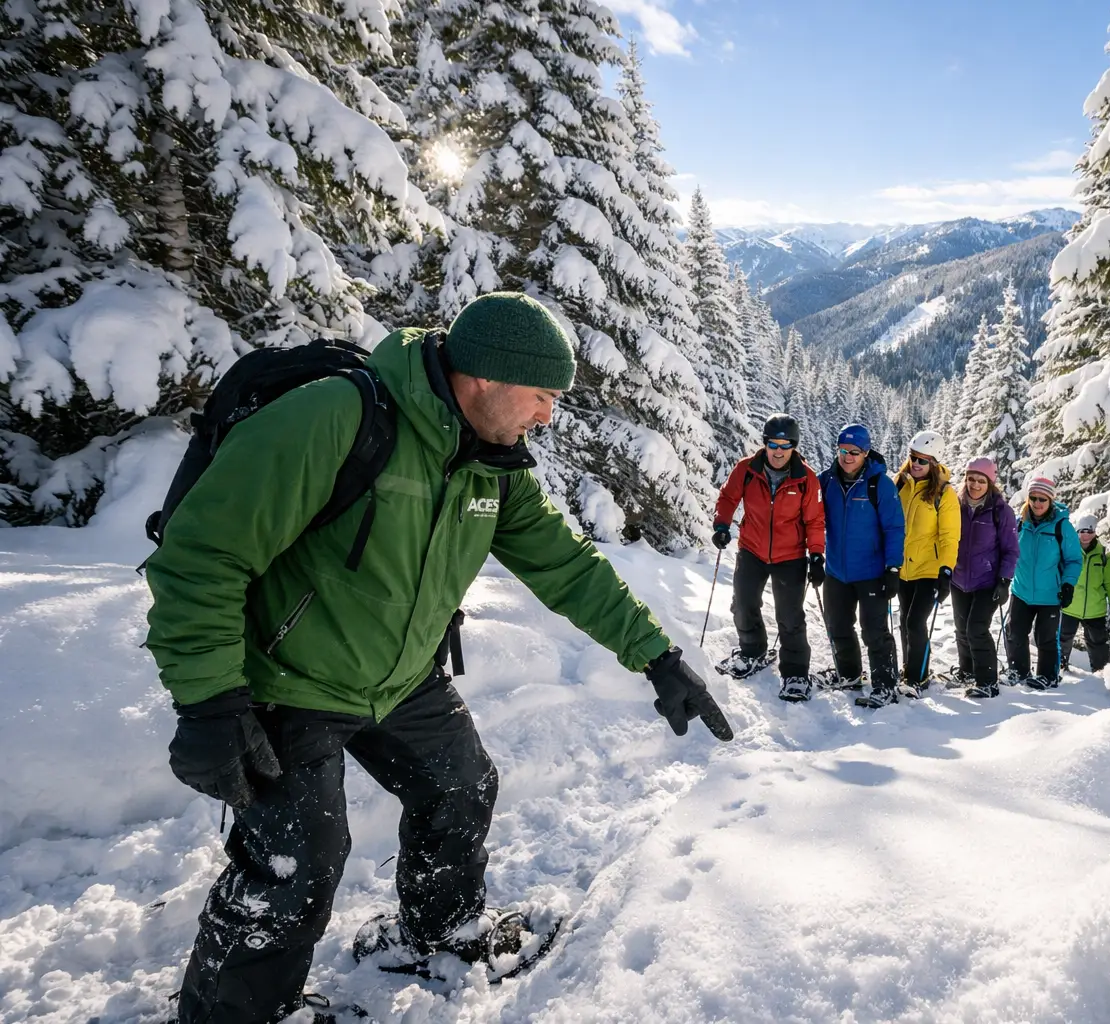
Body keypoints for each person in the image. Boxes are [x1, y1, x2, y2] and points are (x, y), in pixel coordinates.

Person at [145, 292, 732, 1024]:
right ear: (485, 378)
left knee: (460, 785)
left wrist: (656, 656)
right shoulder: (335, 419)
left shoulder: (490, 464)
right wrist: (207, 703)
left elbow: (567, 567)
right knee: (298, 865)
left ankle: (439, 934)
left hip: (398, 678)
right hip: (285, 681)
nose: (548, 416)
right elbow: (199, 557)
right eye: (542, 395)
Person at [712, 413, 827, 701]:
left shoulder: (806, 479)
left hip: (790, 556)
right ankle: (752, 651)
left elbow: (814, 520)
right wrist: (722, 525)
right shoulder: (747, 470)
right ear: (764, 444)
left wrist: (816, 556)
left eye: (785, 445)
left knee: (790, 616)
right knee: (743, 603)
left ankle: (796, 673)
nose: (778, 451)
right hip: (752, 549)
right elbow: (728, 498)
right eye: (773, 444)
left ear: (794, 447)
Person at [817, 423, 904, 705]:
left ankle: (885, 685)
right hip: (836, 572)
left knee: (874, 631)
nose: (847, 457)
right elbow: (811, 519)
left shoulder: (880, 484)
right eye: (843, 450)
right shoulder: (826, 481)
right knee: (838, 626)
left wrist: (893, 567)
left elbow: (894, 528)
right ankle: (849, 675)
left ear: (866, 453)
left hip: (871, 572)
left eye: (854, 452)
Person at [947, 457, 1019, 698]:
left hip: (987, 582)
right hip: (959, 579)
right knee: (961, 629)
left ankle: (987, 681)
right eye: (970, 479)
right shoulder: (955, 506)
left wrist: (1004, 581)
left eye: (980, 480)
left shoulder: (1001, 511)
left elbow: (1011, 550)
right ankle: (967, 672)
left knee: (976, 629)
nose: (974, 485)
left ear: (990, 483)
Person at [894, 430, 959, 693]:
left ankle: (917, 677)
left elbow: (950, 536)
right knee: (904, 621)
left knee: (915, 622)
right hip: (903, 569)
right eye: (913, 458)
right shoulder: (901, 484)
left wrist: (945, 570)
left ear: (934, 463)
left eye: (922, 460)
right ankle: (910, 668)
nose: (916, 464)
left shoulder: (944, 493)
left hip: (929, 571)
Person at [1004, 474, 1083, 690]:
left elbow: (1075, 559)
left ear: (1050, 501)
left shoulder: (1062, 526)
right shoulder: (1020, 524)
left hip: (1050, 593)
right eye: (1033, 498)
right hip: (1021, 590)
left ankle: (1048, 676)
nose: (1037, 503)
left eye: (1042, 499)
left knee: (1046, 638)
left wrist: (1068, 584)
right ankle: (1018, 672)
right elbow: (1008, 551)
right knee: (1015, 632)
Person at [1059, 515, 1110, 673]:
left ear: (1095, 532)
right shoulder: (1069, 551)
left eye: (1089, 531)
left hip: (1095, 609)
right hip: (1070, 606)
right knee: (1063, 639)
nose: (1085, 535)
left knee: (1098, 642)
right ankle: (1058, 667)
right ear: (1077, 532)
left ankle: (1102, 673)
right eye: (1082, 531)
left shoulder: (1104, 555)